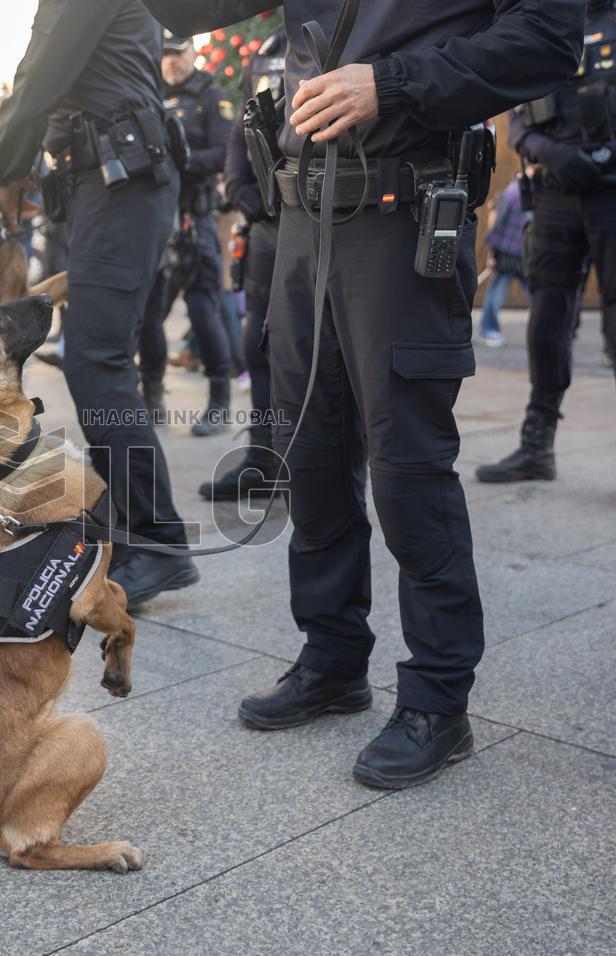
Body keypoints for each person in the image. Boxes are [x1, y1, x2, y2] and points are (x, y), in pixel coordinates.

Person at [144, 0, 583, 788]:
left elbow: (549, 39)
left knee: (407, 471)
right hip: (300, 222)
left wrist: (392, 84)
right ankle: (333, 659)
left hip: (402, 214)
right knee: (307, 461)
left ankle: (437, 702)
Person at [0, 0, 199, 612]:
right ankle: (131, 534)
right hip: (102, 182)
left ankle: (157, 541)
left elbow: (38, 79)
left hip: (120, 182)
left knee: (97, 360)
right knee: (92, 361)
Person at [477, 1, 616, 483]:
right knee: (547, 325)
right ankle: (537, 447)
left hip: (611, 194)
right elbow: (518, 122)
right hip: (556, 192)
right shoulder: (549, 22)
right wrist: (554, 151)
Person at [202, 27, 286, 501]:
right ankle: (263, 462)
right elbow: (239, 144)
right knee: (258, 349)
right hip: (267, 235)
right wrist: (248, 196)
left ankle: (326, 462)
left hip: (326, 233)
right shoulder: (270, 54)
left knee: (328, 355)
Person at [138, 33, 235, 436]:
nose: (173, 60)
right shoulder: (147, 94)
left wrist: (182, 161)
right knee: (148, 316)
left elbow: (227, 152)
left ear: (193, 53)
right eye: (166, 54)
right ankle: (152, 399)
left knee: (203, 312)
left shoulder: (211, 97)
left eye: (180, 53)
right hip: (156, 221)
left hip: (196, 221)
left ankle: (219, 403)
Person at [477, 177, 528, 347]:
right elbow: (498, 222)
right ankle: (488, 330)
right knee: (497, 291)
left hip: (516, 251)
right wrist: (492, 254)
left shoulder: (516, 190)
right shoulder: (517, 191)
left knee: (536, 294)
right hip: (511, 252)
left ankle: (488, 330)